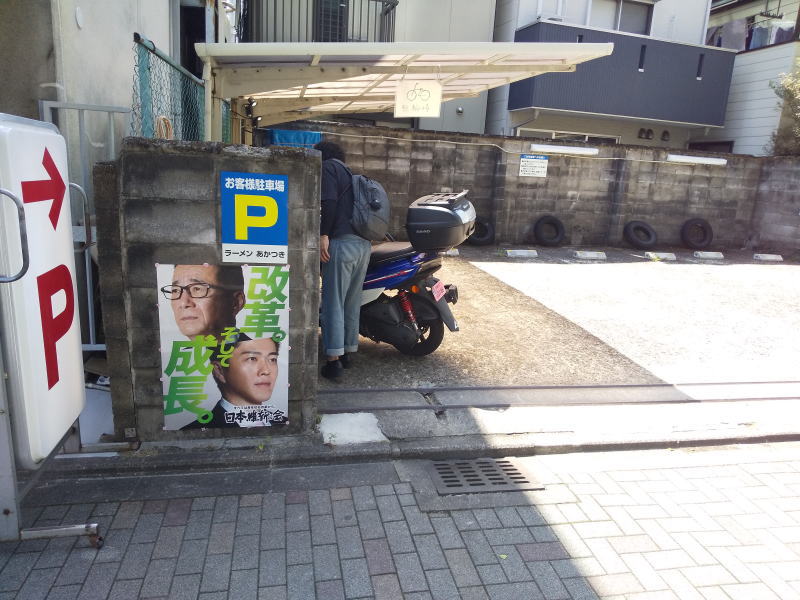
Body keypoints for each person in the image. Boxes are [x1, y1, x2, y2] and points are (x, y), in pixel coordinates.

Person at [314, 140, 372, 380]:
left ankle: (333, 362)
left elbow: (328, 202)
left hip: (341, 244)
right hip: (362, 246)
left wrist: (323, 234)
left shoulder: (328, 168)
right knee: (350, 302)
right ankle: (347, 352)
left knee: (332, 303)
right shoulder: (350, 174)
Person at [183, 332, 286, 428]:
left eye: (272, 359)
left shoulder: (285, 423)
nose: (266, 370)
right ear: (219, 371)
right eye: (252, 358)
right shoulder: (195, 432)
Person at [161, 264, 245, 340]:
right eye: (175, 290)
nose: (183, 303)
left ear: (236, 302)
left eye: (197, 289)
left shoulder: (253, 353)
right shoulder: (174, 355)